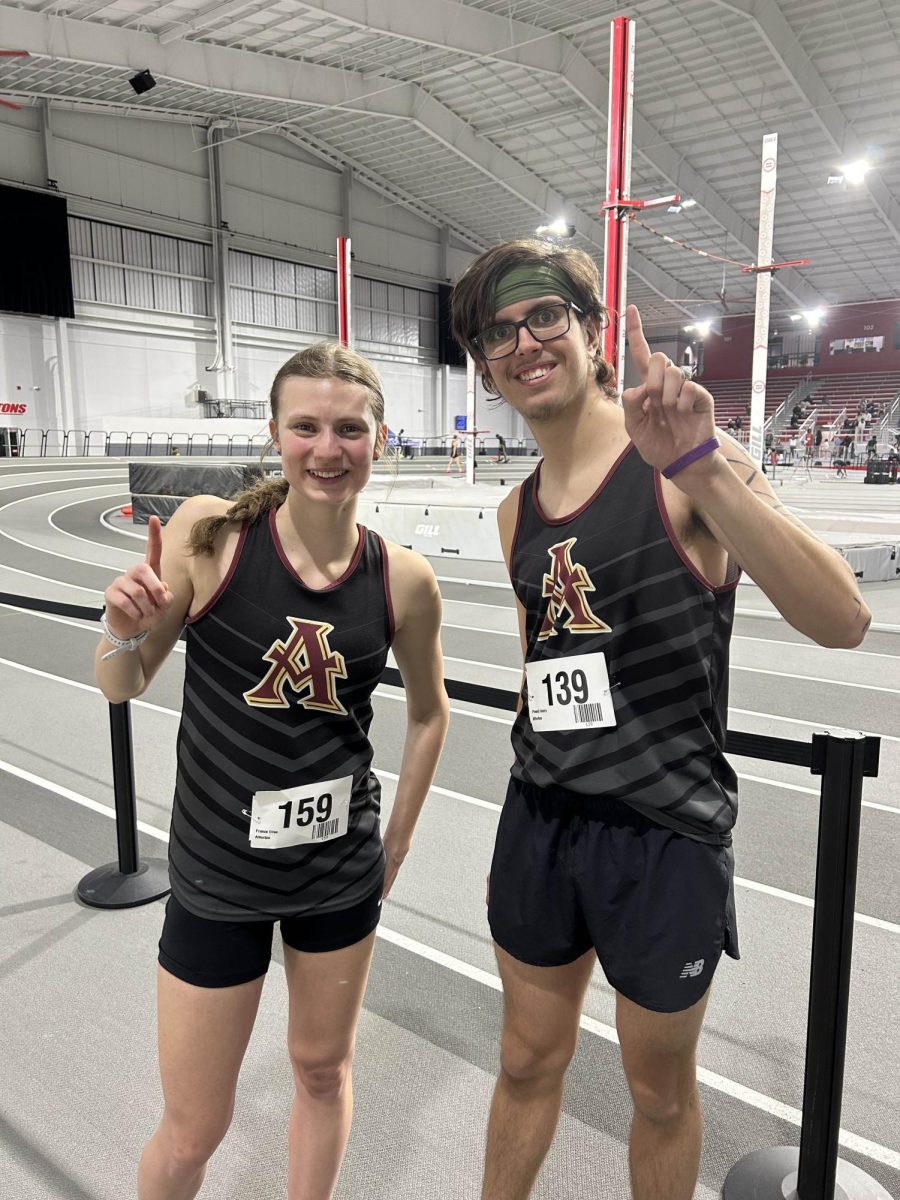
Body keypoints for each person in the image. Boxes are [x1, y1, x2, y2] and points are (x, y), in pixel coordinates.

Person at [449, 239, 871, 1200]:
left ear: (593, 330)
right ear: (483, 361)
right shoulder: (515, 515)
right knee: (522, 1060)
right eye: (498, 331)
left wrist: (706, 468)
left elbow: (844, 620)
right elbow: (541, 668)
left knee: (659, 1093)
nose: (525, 342)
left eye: (545, 316)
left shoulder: (689, 468)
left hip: (664, 836)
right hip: (543, 825)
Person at [96, 342, 449, 1200]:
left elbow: (433, 712)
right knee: (192, 1133)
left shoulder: (402, 578)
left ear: (379, 439)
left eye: (349, 429)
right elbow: (123, 682)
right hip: (219, 877)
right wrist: (122, 628)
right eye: (307, 427)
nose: (328, 448)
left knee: (322, 1073)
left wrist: (393, 846)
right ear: (276, 434)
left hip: (338, 877)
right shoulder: (210, 539)